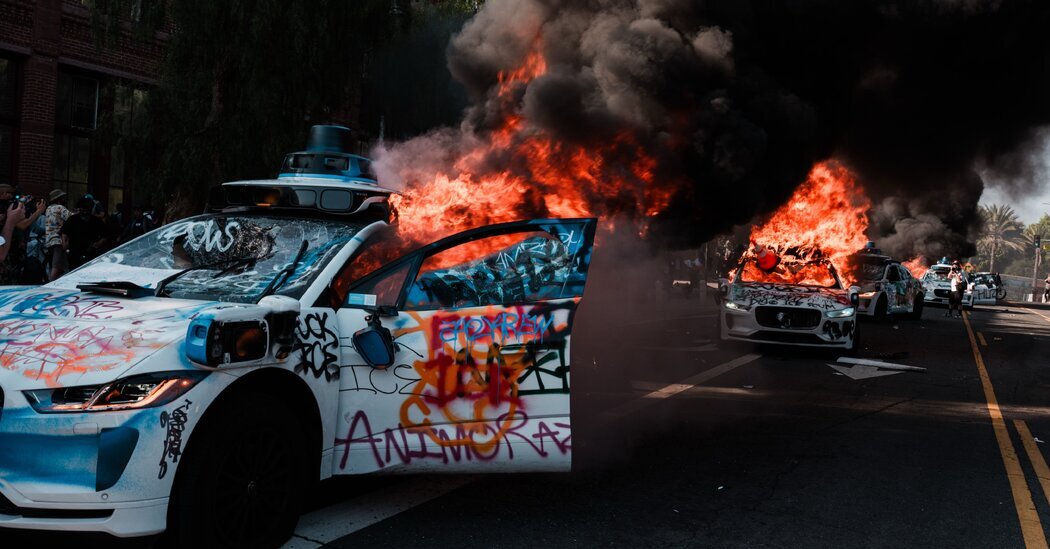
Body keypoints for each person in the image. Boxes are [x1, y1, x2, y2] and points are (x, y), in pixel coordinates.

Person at [60, 196, 106, 270]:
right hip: (74, 252)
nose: (84, 211)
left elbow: (105, 235)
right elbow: (64, 232)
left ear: (90, 209)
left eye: (86, 209)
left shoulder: (96, 221)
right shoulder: (72, 219)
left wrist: (97, 244)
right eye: (82, 209)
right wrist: (64, 244)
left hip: (90, 252)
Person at [44, 189, 71, 280]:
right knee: (57, 266)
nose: (65, 199)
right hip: (58, 240)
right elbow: (72, 218)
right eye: (63, 197)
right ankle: (50, 285)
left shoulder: (48, 208)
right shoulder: (60, 208)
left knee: (55, 264)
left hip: (49, 241)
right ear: (59, 198)